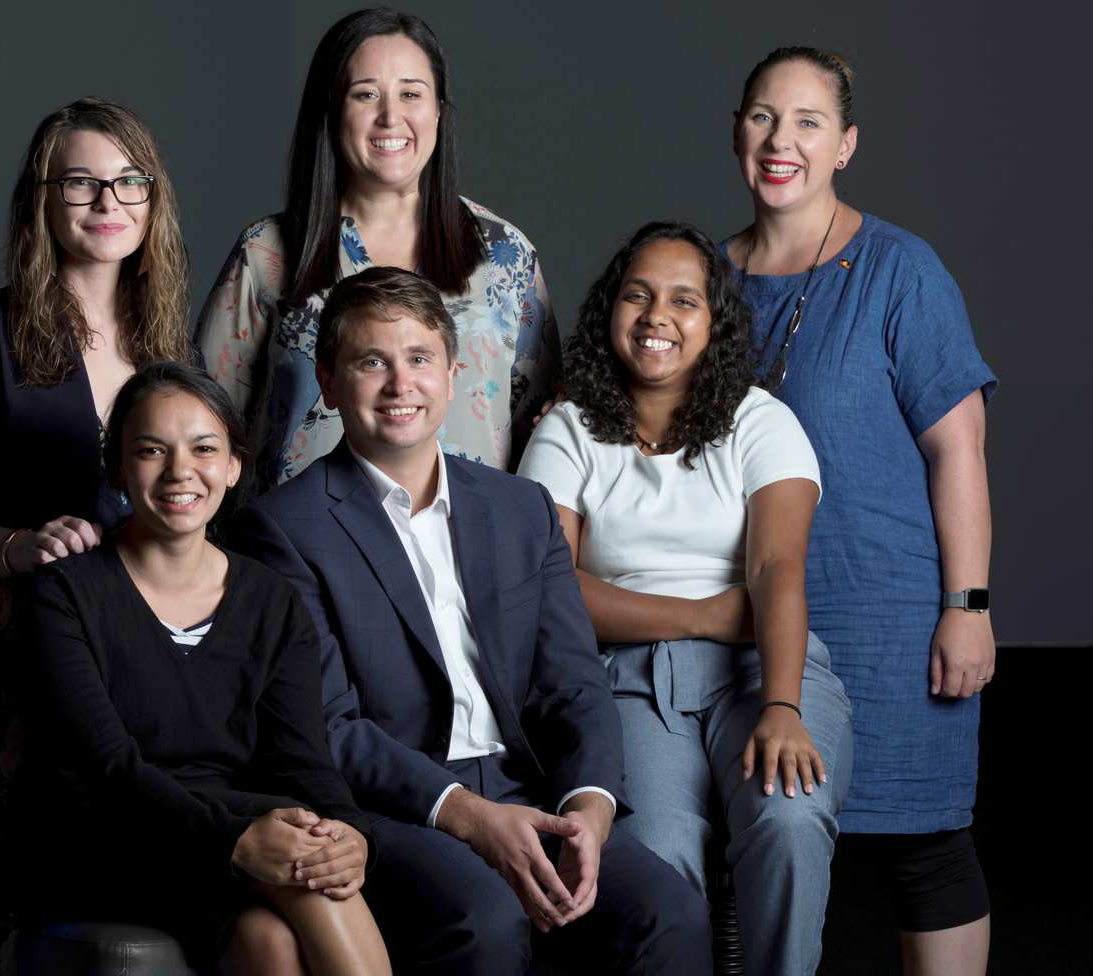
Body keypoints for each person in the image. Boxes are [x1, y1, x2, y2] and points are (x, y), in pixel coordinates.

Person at [236, 266, 711, 975]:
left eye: (420, 359)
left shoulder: (520, 509)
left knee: (667, 911)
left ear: (453, 375)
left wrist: (590, 807)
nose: (402, 385)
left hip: (534, 789)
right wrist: (464, 814)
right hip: (399, 807)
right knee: (484, 920)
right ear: (330, 384)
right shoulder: (282, 529)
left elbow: (575, 682)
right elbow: (326, 725)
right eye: (372, 362)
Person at [723, 47, 997, 975]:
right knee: (750, 849)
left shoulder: (901, 271)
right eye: (763, 116)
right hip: (742, 621)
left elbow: (959, 450)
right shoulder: (702, 286)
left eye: (807, 122)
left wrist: (969, 609)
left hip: (885, 614)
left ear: (845, 144)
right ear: (737, 133)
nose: (781, 141)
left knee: (923, 846)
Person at [519, 221, 853, 975]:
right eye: (637, 296)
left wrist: (783, 708)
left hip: (762, 669)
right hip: (627, 681)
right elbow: (554, 588)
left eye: (683, 300)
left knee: (789, 822)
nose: (656, 317)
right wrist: (705, 615)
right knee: (657, 855)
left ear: (715, 321)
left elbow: (776, 568)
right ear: (610, 311)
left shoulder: (762, 421)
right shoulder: (568, 431)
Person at [0, 97, 193, 973]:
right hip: (18, 653)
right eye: (80, 181)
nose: (107, 200)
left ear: (153, 201)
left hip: (144, 649)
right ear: (43, 198)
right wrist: (20, 546)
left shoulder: (172, 345)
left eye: (127, 181)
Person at [16, 362, 390, 976]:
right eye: (151, 450)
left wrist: (351, 835)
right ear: (117, 469)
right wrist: (235, 843)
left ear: (234, 465)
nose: (179, 471)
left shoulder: (271, 600)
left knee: (278, 932)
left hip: (240, 840)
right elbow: (106, 770)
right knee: (302, 866)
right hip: (113, 842)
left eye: (204, 448)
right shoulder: (65, 593)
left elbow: (303, 760)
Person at [196, 7, 558, 502]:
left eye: (411, 93)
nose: (391, 117)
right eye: (365, 94)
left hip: (467, 559)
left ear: (437, 111)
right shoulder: (268, 254)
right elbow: (201, 425)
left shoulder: (504, 255)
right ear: (331, 109)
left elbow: (543, 435)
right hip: (298, 559)